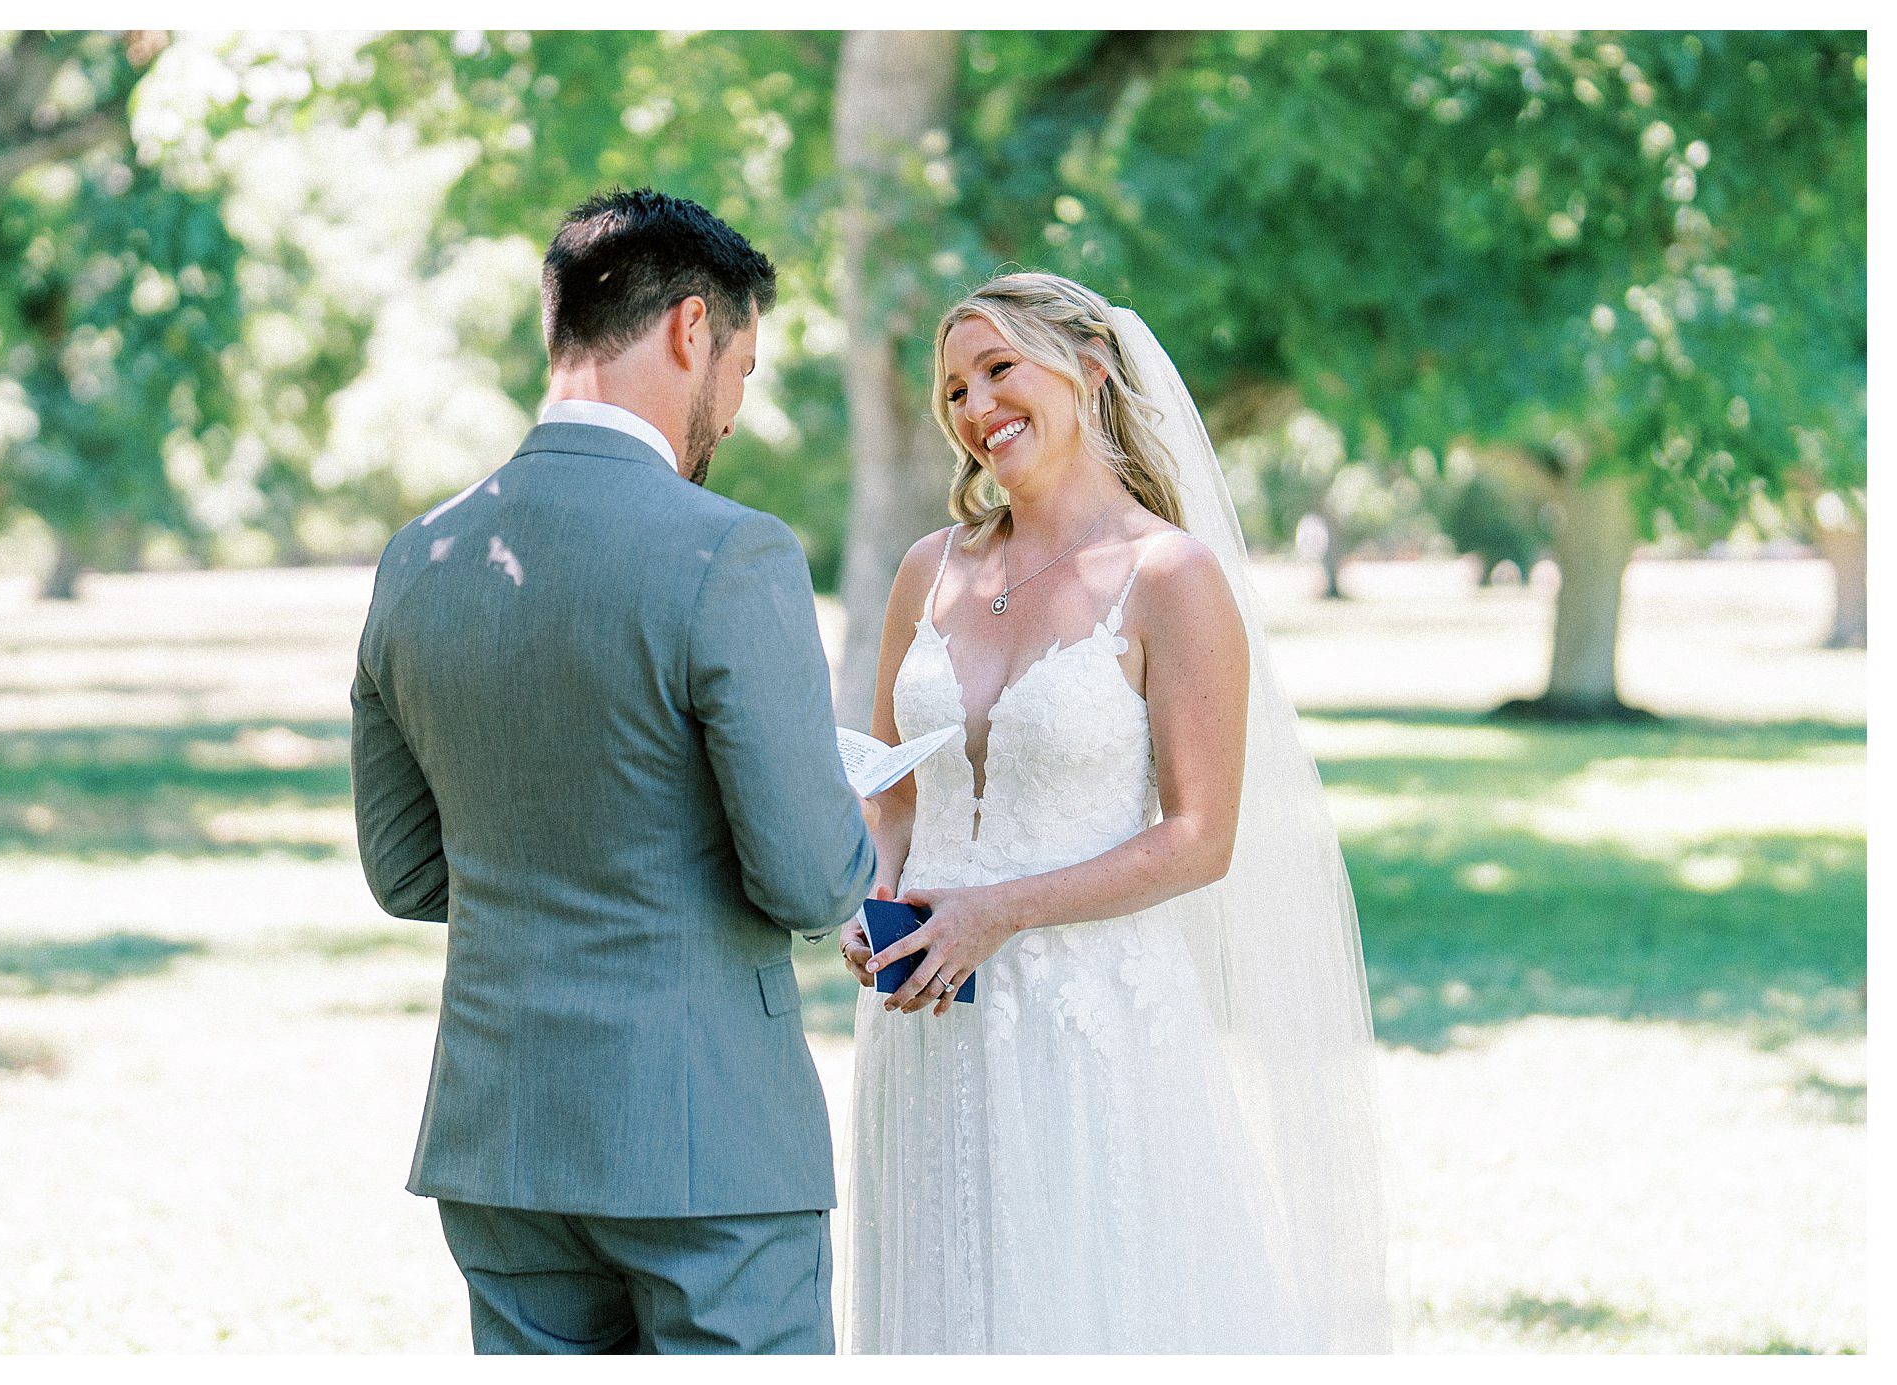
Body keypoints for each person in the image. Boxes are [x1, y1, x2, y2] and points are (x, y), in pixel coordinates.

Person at [350, 188, 877, 1354]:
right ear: (692, 328)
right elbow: (805, 878)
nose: (731, 412)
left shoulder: (417, 557)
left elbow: (402, 870)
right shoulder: (730, 550)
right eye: (741, 365)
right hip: (707, 1140)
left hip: (503, 1140)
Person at [839, 272, 1392, 1352]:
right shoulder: (927, 569)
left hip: (1086, 1017)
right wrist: (870, 895)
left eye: (998, 367)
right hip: (923, 1020)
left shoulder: (1168, 575)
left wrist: (998, 909)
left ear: (1088, 371)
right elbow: (892, 790)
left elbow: (1200, 836)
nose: (972, 405)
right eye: (952, 386)